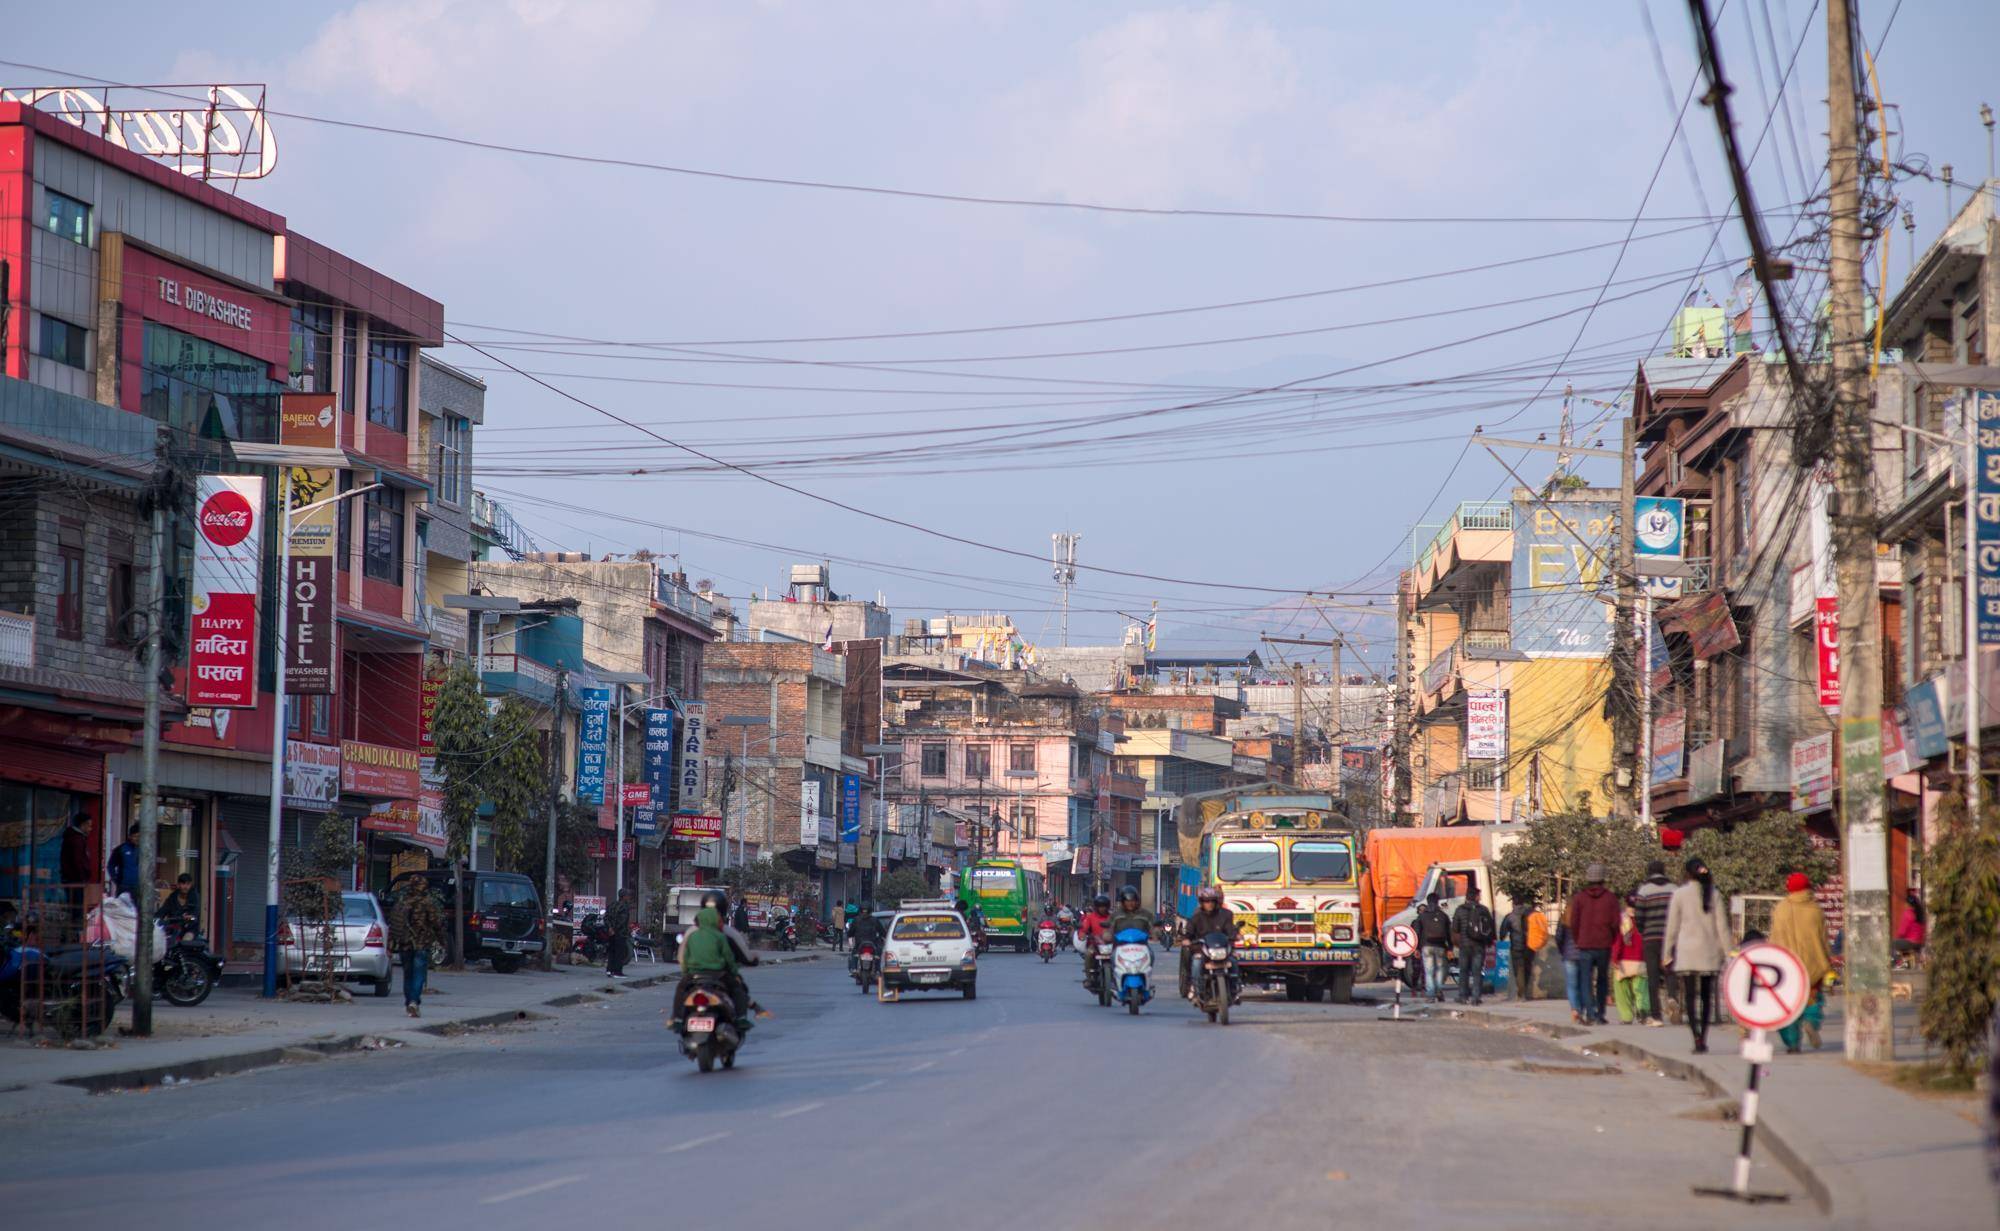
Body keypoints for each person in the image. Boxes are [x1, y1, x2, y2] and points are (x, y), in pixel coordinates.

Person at [1663, 856, 1732, 1053]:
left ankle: (1696, 1038)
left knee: (1690, 998)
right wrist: (1729, 954)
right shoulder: (1714, 894)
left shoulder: (1679, 894)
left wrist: (1666, 953)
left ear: (1687, 874)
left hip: (1687, 954)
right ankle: (1704, 1035)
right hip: (1710, 953)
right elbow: (1722, 926)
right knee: (1706, 998)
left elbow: (1672, 927)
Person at [1771, 873, 1834, 1054]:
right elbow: (1824, 939)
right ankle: (1811, 1022)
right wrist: (1828, 962)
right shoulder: (1816, 909)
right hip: (1813, 966)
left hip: (1787, 967)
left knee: (1787, 1006)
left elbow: (1775, 938)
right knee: (1812, 1002)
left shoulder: (1781, 909)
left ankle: (1792, 1043)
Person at [674, 907, 755, 1032]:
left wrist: (686, 973)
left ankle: (678, 1019)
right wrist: (734, 972)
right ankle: (741, 1018)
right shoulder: (720, 936)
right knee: (737, 989)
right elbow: (729, 958)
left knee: (681, 989)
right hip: (718, 975)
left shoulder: (692, 936)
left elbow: (684, 957)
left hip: (694, 975)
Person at [1565, 862, 1620, 1026]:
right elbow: (1616, 923)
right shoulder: (1610, 898)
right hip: (1603, 945)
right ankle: (1600, 1013)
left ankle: (1589, 1013)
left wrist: (1578, 939)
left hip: (1584, 945)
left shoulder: (1580, 898)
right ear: (1603, 879)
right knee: (1602, 980)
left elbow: (1574, 923)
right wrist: (1610, 938)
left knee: (1585, 980)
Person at [1630, 860, 1675, 1027]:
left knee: (1653, 976)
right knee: (1670, 970)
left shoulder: (1644, 890)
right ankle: (1672, 997)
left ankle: (1656, 1016)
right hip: (1670, 937)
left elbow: (1639, 916)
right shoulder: (1673, 889)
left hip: (1650, 938)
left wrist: (1643, 930)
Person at [389, 884, 445, 1019]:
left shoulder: (402, 904)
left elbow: (394, 925)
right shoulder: (427, 904)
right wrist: (442, 941)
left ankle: (409, 1002)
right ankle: (414, 1002)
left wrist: (389, 946)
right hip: (421, 945)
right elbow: (436, 924)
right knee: (419, 974)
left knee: (407, 975)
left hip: (404, 945)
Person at [1179, 886, 1236, 998]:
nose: (1209, 904)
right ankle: (1196, 988)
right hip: (1202, 949)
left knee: (1233, 961)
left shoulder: (1226, 915)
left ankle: (1234, 989)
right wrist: (1186, 939)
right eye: (1206, 901)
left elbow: (1230, 929)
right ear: (1202, 903)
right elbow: (1189, 931)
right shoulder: (1197, 916)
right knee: (1196, 962)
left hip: (1221, 949)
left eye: (1212, 901)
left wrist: (1236, 935)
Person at [1451, 885, 1496, 1005]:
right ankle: (1476, 997)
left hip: (1464, 945)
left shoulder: (1460, 909)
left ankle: (1463, 996)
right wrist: (1489, 941)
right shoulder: (1483, 910)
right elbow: (1490, 927)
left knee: (1463, 971)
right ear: (1476, 897)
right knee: (1477, 972)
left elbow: (1455, 928)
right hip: (1479, 945)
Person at [1496, 894, 1541, 1001]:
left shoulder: (1510, 917)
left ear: (1513, 904)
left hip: (1516, 947)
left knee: (1519, 970)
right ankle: (1524, 991)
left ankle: (1522, 994)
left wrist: (1502, 938)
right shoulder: (1531, 914)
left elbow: (1502, 932)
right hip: (1530, 946)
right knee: (1527, 968)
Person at [1611, 908, 1650, 1025]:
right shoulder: (1645, 918)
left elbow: (1618, 940)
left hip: (1623, 960)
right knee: (1641, 990)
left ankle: (1626, 1016)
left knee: (1622, 990)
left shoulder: (1622, 918)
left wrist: (1614, 958)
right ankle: (1643, 1012)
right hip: (1640, 959)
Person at [1414, 891, 1453, 1004]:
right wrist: (1450, 948)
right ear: (1437, 902)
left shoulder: (1421, 916)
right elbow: (1449, 933)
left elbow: (1417, 932)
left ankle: (1430, 995)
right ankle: (1439, 991)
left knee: (1429, 971)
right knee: (1440, 969)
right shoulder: (1443, 916)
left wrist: (1416, 948)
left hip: (1426, 947)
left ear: (1427, 902)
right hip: (1441, 946)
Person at [1077, 893, 1114, 988]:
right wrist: (1082, 934)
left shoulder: (1112, 917)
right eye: (1100, 906)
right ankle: (1089, 978)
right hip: (1095, 944)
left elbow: (1118, 928)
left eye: (1104, 906)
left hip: (1110, 945)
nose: (1102, 909)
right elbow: (1084, 929)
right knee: (1089, 954)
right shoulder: (1090, 917)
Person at [1557, 917, 1585, 1023]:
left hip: (1568, 955)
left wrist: (1562, 950)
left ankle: (1574, 1010)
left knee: (1571, 985)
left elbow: (1558, 937)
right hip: (1583, 953)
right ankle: (1581, 1010)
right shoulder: (1584, 915)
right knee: (1582, 984)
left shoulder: (1564, 918)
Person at [848, 899, 887, 976]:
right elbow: (882, 932)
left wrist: (850, 935)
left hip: (860, 943)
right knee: (878, 953)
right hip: (872, 943)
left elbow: (850, 932)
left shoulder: (856, 920)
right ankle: (877, 969)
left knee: (854, 953)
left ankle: (854, 968)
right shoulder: (875, 920)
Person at [105, 824, 140, 901]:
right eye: (135, 836)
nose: (137, 839)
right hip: (124, 886)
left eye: (139, 837)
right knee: (122, 909)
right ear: (130, 836)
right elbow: (111, 865)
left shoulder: (143, 851)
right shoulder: (121, 849)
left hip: (138, 887)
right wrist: (116, 879)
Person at [605, 887, 634, 979]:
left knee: (611, 952)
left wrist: (609, 928)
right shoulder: (624, 906)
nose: (629, 897)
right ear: (624, 896)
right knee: (619, 953)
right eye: (628, 895)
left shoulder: (612, 904)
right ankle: (617, 972)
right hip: (620, 933)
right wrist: (615, 929)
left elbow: (606, 917)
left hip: (610, 933)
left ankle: (609, 970)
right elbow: (622, 921)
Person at [1893, 890, 1927, 961]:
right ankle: (1908, 960)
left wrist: (1898, 938)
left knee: (1892, 944)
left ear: (1908, 904)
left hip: (1910, 942)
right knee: (1901, 943)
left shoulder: (1908, 913)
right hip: (1919, 943)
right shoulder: (1920, 914)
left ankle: (1897, 962)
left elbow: (1902, 932)